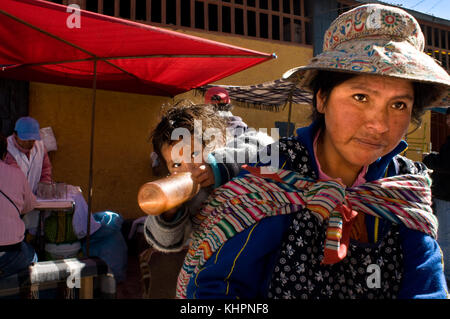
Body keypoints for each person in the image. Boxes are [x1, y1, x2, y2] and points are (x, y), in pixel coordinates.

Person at [176, 3, 449, 299]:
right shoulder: (275, 173)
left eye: (399, 105)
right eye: (360, 97)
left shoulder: (404, 185)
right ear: (321, 99)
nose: (380, 124)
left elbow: (427, 287)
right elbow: (218, 287)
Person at [144, 101, 274, 253]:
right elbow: (164, 240)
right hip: (222, 261)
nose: (190, 169)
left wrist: (219, 164)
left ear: (219, 143)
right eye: (176, 165)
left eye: (194, 154)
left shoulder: (237, 149)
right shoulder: (190, 198)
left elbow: (262, 145)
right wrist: (168, 213)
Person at [0, 133, 38, 278]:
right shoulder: (17, 174)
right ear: (4, 155)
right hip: (10, 254)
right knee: (32, 259)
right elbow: (30, 205)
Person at [423, 107, 450, 285]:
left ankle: (445, 275)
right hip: (446, 194)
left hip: (447, 194)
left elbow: (447, 164)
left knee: (445, 237)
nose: (447, 121)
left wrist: (429, 159)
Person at [5, 116, 52, 194]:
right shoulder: (7, 148)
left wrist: (44, 187)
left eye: (32, 139)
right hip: (13, 197)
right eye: (25, 139)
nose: (28, 142)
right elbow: (15, 177)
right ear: (15, 135)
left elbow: (45, 170)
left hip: (34, 198)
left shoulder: (40, 147)